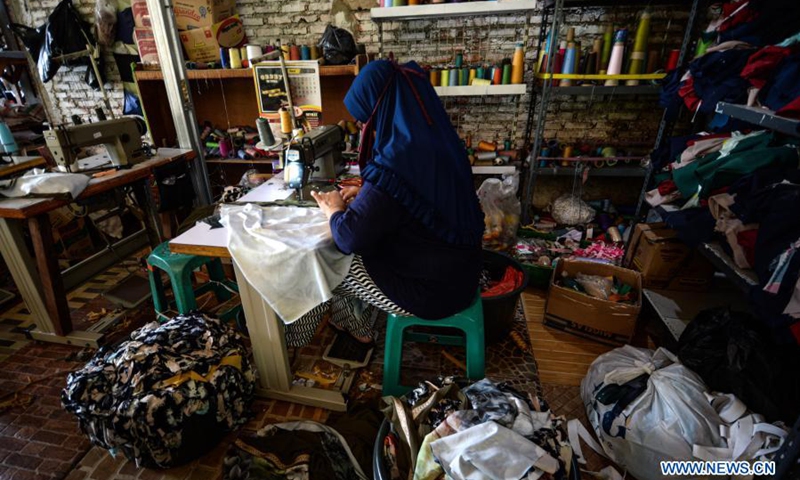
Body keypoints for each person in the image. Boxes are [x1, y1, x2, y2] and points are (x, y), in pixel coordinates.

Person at [285, 59, 484, 347]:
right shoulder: (437, 142)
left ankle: (292, 344)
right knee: (351, 248)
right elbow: (413, 199)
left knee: (321, 261)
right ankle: (353, 324)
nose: (368, 127)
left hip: (431, 295)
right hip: (461, 279)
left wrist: (334, 209)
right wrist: (370, 193)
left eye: (368, 119)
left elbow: (349, 238)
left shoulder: (397, 161)